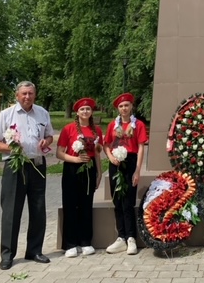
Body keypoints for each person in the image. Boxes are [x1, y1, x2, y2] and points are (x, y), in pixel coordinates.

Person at [0, 81, 54, 270]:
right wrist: (13, 148)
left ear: (35, 95)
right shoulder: (7, 114)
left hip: (37, 165)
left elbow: (50, 136)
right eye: (24, 93)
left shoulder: (42, 113)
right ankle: (7, 254)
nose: (27, 97)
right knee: (11, 211)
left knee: (38, 209)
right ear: (17, 95)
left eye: (31, 93)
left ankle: (34, 250)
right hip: (14, 166)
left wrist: (46, 140)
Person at [56, 97, 104, 258]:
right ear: (77, 112)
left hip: (88, 170)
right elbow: (59, 153)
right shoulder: (68, 129)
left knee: (86, 205)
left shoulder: (97, 130)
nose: (85, 111)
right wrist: (75, 159)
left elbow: (97, 154)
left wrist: (99, 172)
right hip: (71, 168)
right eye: (82, 109)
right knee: (70, 205)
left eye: (88, 109)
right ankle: (70, 244)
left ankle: (85, 241)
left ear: (92, 112)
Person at [104, 92, 148, 255]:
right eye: (121, 106)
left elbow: (141, 147)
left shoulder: (139, 125)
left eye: (127, 105)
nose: (124, 108)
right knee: (117, 201)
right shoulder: (112, 126)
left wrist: (137, 170)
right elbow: (106, 145)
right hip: (115, 163)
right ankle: (121, 237)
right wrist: (110, 157)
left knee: (128, 201)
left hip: (130, 162)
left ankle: (131, 237)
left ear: (131, 107)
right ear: (118, 108)